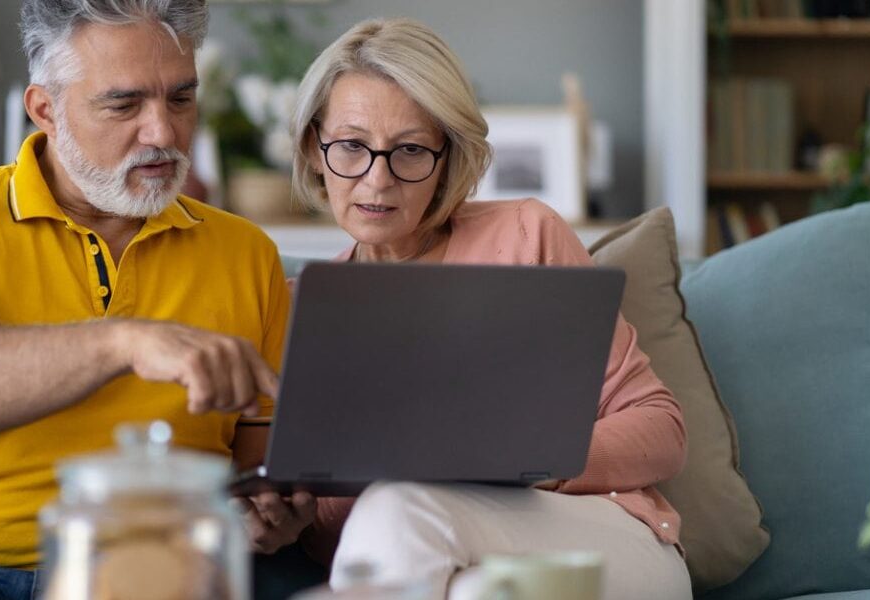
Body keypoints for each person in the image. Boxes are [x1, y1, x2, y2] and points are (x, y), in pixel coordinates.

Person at [0, 1, 315, 598]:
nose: (162, 132)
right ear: (44, 109)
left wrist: (267, 518)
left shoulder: (245, 253)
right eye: (123, 104)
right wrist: (126, 341)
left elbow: (254, 472)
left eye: (180, 99)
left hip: (140, 573)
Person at [288, 18, 692, 600]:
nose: (377, 180)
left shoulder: (527, 236)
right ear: (314, 148)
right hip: (437, 562)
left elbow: (664, 429)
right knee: (476, 590)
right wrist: (294, 520)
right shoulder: (303, 311)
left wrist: (536, 460)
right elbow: (340, 538)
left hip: (605, 537)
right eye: (351, 146)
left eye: (409, 151)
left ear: (447, 157)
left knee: (403, 509)